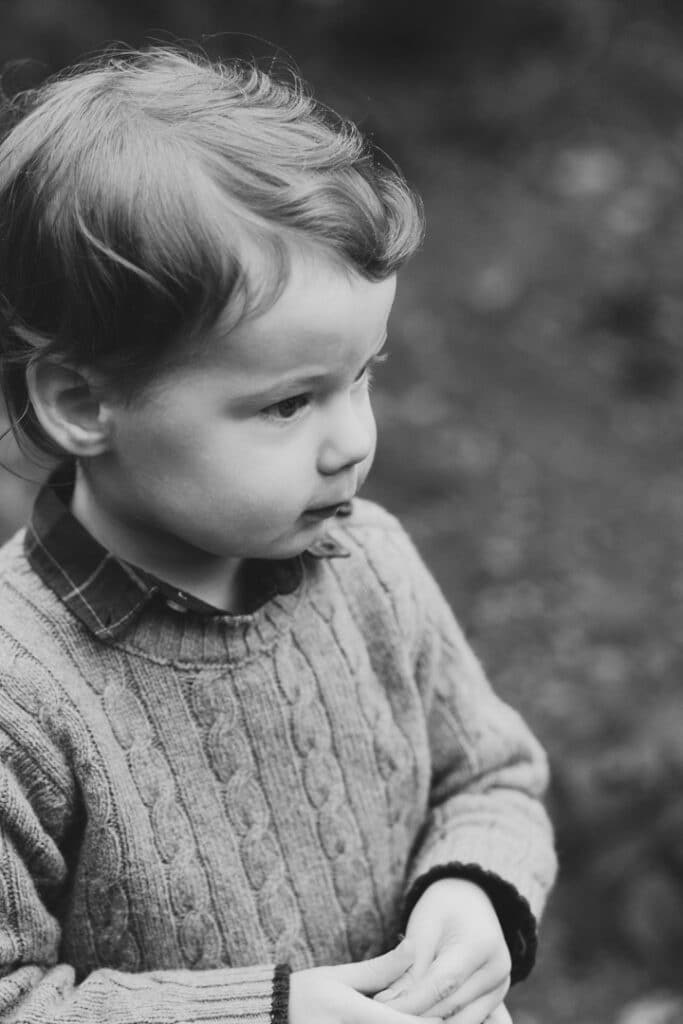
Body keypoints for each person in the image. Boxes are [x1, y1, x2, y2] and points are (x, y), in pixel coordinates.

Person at [0, 46, 557, 1024]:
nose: (353, 442)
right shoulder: (24, 695)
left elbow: (490, 774)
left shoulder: (368, 564)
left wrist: (472, 891)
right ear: (84, 400)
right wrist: (269, 1012)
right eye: (288, 403)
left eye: (364, 376)